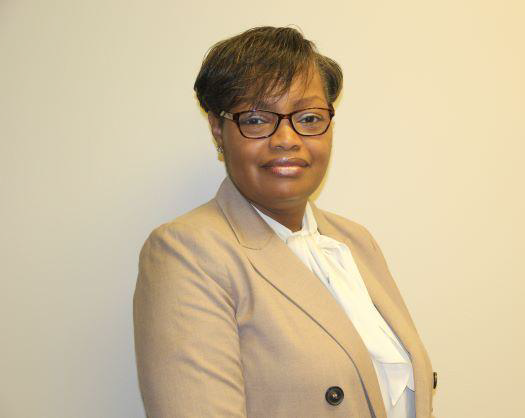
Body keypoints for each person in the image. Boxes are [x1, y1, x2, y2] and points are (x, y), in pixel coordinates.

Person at [133, 26, 435, 418]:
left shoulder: (355, 242)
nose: (287, 139)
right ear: (217, 130)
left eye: (308, 117)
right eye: (257, 119)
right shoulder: (187, 253)